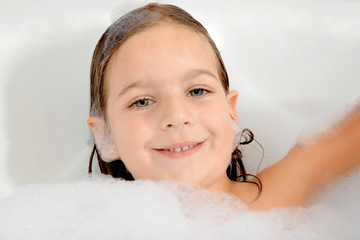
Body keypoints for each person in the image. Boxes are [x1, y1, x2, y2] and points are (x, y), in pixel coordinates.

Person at [87, 3, 360, 210]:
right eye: (142, 101)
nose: (177, 116)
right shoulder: (90, 226)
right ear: (107, 136)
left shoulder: (276, 199)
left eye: (197, 91)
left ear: (231, 111)